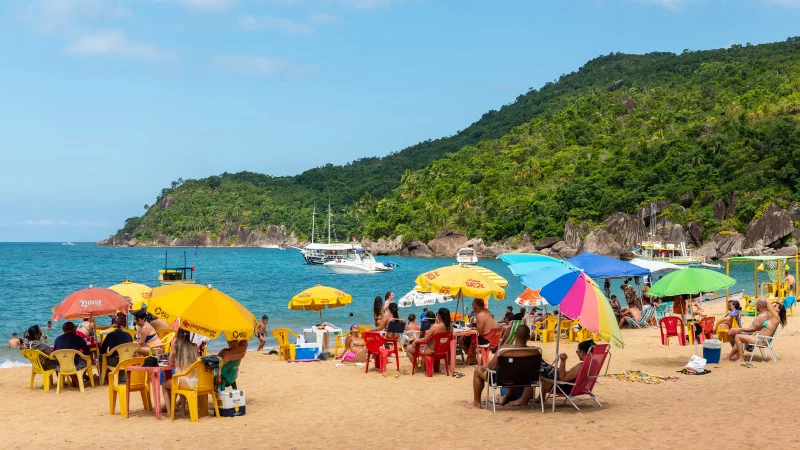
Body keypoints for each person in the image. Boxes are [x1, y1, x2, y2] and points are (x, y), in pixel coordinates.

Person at [465, 324, 538, 409]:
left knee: (478, 370)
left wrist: (486, 366)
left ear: (514, 335)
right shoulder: (535, 351)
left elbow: (491, 367)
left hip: (504, 380)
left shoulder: (504, 350)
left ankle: (477, 403)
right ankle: (507, 397)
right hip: (525, 379)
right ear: (529, 337)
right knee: (517, 372)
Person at [161, 329, 198, 417]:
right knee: (180, 380)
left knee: (164, 384)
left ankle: (169, 412)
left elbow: (170, 362)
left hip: (185, 382)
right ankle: (182, 411)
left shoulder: (176, 346)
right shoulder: (193, 346)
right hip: (195, 381)